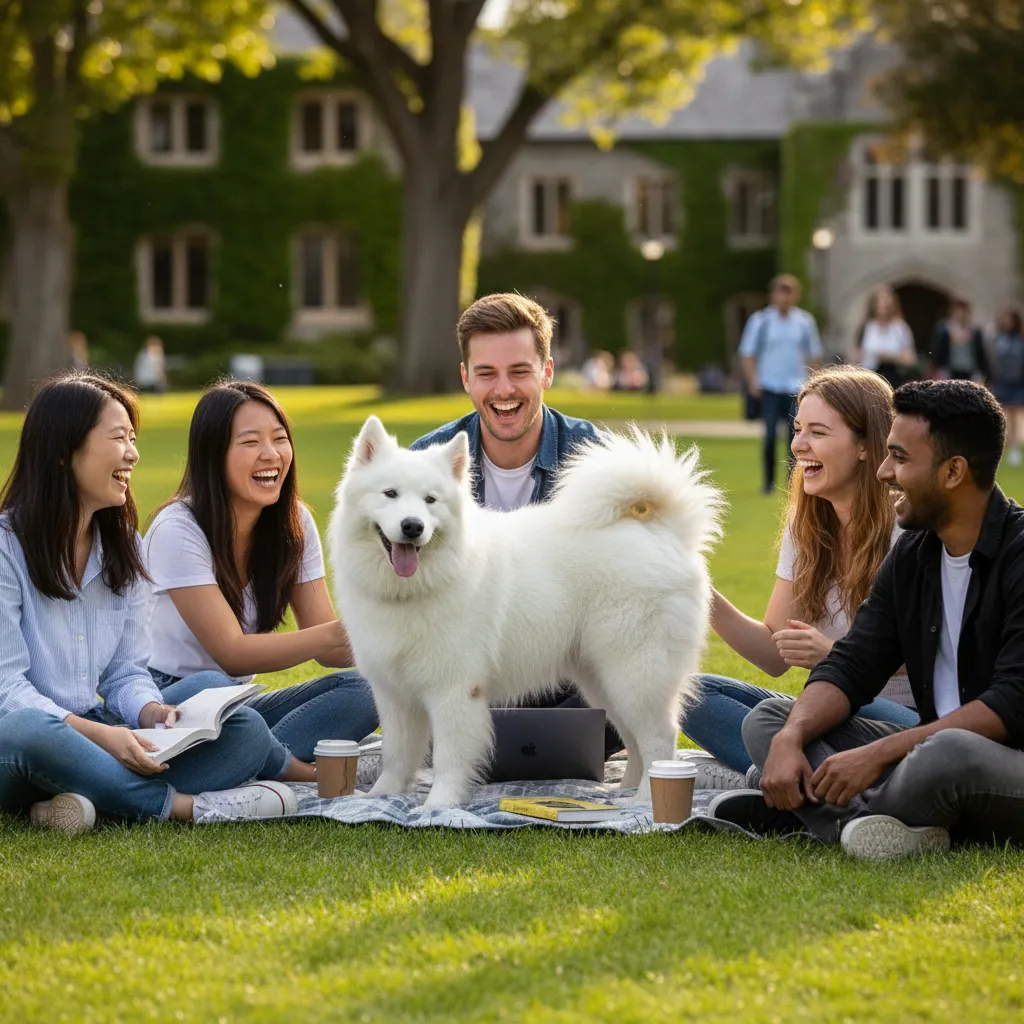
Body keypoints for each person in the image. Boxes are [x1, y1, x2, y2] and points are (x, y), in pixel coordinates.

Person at [720, 380, 1024, 861]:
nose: (884, 473)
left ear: (953, 471)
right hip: (925, 746)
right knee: (770, 719)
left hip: (996, 759)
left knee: (948, 752)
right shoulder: (913, 553)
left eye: (899, 458)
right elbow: (852, 664)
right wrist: (792, 737)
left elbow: (1010, 704)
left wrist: (878, 753)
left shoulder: (1018, 553)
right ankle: (869, 827)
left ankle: (809, 814)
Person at [0, 374, 306, 833]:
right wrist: (102, 736)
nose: (133, 453)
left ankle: (78, 800)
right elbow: (7, 690)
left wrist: (151, 713)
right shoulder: (7, 546)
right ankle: (179, 807)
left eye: (133, 438)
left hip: (95, 731)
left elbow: (125, 674)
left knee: (237, 725)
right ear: (64, 450)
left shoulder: (123, 546)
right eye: (119, 438)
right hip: (26, 740)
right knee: (27, 729)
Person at [682, 366, 919, 785]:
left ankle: (775, 775)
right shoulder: (806, 527)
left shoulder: (908, 530)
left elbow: (936, 656)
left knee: (783, 721)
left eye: (818, 432)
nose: (798, 444)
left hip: (906, 720)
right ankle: (807, 776)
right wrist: (695, 586)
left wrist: (833, 655)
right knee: (689, 695)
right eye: (797, 429)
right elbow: (773, 655)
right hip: (828, 708)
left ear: (866, 445)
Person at [410, 293, 623, 746]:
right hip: (463, 678)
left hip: (570, 677)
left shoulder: (596, 461)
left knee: (631, 692)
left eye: (520, 372)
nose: (503, 390)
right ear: (466, 378)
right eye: (486, 373)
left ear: (546, 372)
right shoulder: (426, 465)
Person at [143, 380, 379, 763]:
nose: (271, 455)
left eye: (279, 439)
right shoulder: (177, 529)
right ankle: (278, 763)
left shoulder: (294, 522)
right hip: (165, 700)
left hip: (238, 706)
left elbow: (332, 649)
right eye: (251, 442)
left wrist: (407, 629)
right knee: (214, 685)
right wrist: (340, 632)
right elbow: (232, 654)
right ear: (212, 455)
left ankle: (249, 760)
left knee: (369, 689)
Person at [739, 274, 823, 495]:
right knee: (768, 437)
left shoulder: (804, 322)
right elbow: (747, 353)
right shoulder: (761, 321)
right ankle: (768, 483)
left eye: (788, 293)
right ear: (773, 295)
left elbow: (814, 353)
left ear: (795, 296)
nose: (784, 298)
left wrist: (812, 381)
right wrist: (753, 380)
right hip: (769, 385)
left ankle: (791, 484)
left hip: (795, 386)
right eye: (780, 292)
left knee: (794, 438)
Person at [851, 285, 917, 389]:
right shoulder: (867, 327)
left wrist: (891, 357)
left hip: (893, 379)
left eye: (886, 303)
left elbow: (910, 359)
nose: (882, 306)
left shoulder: (900, 328)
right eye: (879, 302)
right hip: (869, 379)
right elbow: (856, 356)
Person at [989, 307, 1024, 467]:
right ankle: (1004, 445)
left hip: (1017, 382)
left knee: (1016, 415)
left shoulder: (1020, 339)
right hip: (1001, 382)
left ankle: (1015, 449)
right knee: (1003, 415)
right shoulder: (997, 339)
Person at [930, 298, 989, 382]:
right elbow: (937, 350)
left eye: (964, 311)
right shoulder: (944, 329)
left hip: (970, 370)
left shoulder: (975, 330)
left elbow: (981, 353)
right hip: (949, 370)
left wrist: (983, 372)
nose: (961, 314)